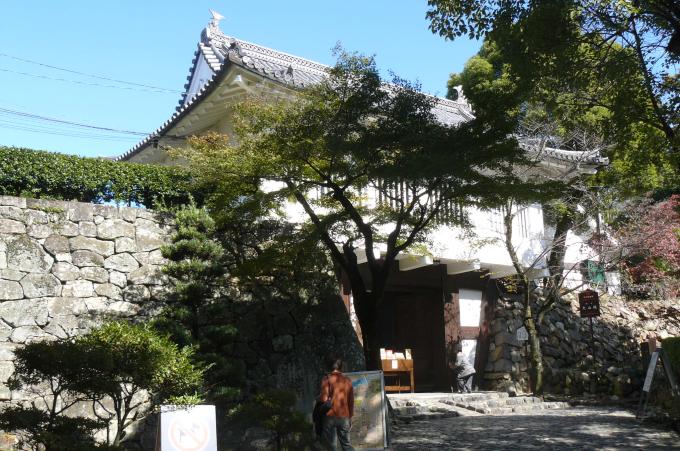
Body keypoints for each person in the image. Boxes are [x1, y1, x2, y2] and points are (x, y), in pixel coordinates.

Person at [318, 357, 354, 451]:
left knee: (331, 446)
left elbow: (324, 399)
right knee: (346, 445)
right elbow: (351, 401)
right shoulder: (347, 380)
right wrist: (350, 416)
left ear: (329, 366)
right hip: (344, 416)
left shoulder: (327, 379)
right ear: (340, 366)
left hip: (329, 416)